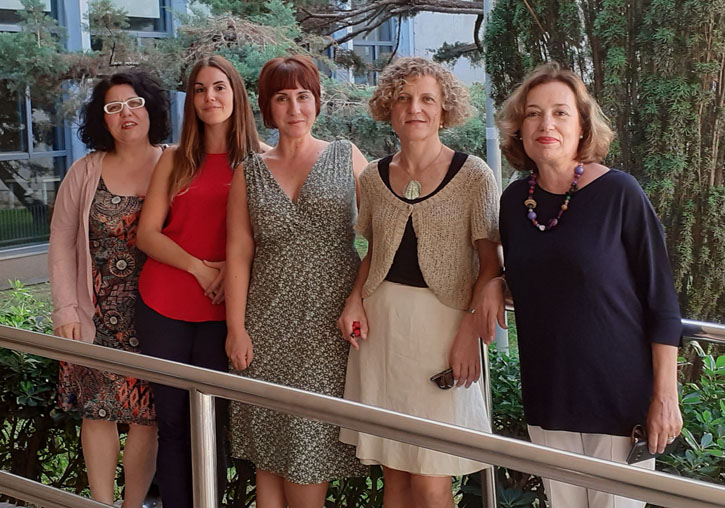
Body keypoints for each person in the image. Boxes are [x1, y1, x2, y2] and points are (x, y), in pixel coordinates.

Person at [485, 62, 683, 508]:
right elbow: (541, 278)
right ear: (519, 129)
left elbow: (662, 304)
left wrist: (664, 397)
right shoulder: (516, 202)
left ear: (582, 127)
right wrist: (495, 282)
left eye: (560, 112)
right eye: (533, 114)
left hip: (618, 401)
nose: (545, 124)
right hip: (550, 395)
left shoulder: (620, 194)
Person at [337, 57, 502, 508]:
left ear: (444, 109)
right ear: (388, 106)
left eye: (428, 98)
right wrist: (354, 301)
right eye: (404, 98)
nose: (416, 108)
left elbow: (491, 266)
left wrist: (470, 333)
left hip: (444, 329)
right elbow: (372, 251)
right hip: (383, 330)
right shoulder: (372, 176)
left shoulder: (474, 176)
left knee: (432, 477)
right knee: (395, 471)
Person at [225, 55, 369, 508]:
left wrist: (357, 299)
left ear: (317, 102)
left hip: (329, 330)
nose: (294, 108)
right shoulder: (248, 171)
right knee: (269, 460)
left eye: (303, 96)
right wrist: (236, 328)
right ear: (267, 107)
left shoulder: (346, 156)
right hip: (265, 328)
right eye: (282, 98)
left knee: (309, 459)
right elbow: (238, 252)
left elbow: (383, 238)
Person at [135, 55, 260, 508]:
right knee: (172, 422)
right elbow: (147, 234)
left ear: (237, 95)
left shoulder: (262, 160)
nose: (210, 97)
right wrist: (201, 267)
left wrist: (231, 269)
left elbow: (271, 234)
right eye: (201, 89)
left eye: (220, 87)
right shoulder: (174, 158)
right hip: (165, 303)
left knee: (213, 422)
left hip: (225, 311)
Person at [49, 70, 170, 507]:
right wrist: (64, 309)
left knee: (147, 417)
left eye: (134, 103)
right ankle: (101, 504)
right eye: (113, 107)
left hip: (156, 314)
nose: (126, 114)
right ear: (103, 120)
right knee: (98, 414)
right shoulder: (85, 171)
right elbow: (62, 240)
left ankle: (132, 504)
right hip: (94, 313)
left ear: (150, 108)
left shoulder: (173, 163)